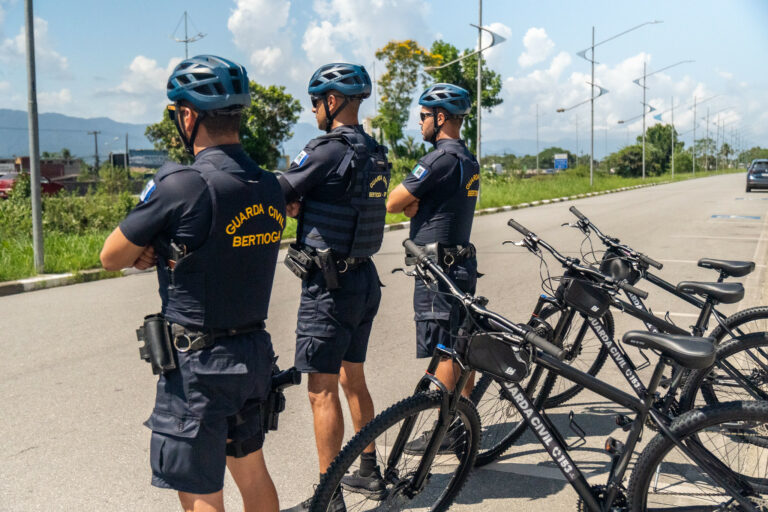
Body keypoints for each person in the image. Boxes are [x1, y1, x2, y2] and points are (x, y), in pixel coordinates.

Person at [100, 55, 285, 512]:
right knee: (252, 470)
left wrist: (157, 248)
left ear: (188, 115)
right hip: (253, 353)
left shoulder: (182, 184)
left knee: (201, 489)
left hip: (199, 366)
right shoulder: (268, 185)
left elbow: (110, 257)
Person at [278, 63, 390, 511]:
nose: (313, 109)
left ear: (332, 102)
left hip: (330, 287)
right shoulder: (373, 151)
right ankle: (369, 471)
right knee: (353, 377)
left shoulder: (324, 150)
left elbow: (278, 190)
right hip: (363, 279)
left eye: (316, 101)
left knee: (321, 390)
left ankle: (328, 500)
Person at [385, 83, 480, 451]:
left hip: (439, 272)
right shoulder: (466, 158)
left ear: (440, 118)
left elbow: (395, 202)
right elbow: (413, 204)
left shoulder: (438, 159)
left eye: (423, 116)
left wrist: (414, 204)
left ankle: (445, 430)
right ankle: (460, 425)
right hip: (460, 264)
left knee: (446, 351)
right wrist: (416, 204)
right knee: (461, 346)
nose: (419, 123)